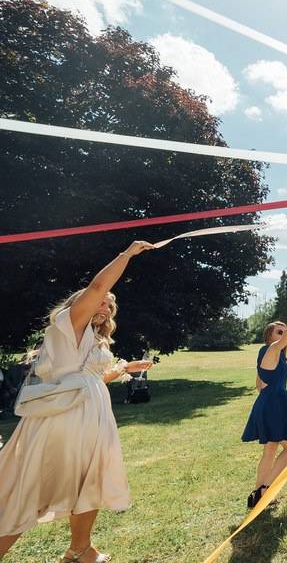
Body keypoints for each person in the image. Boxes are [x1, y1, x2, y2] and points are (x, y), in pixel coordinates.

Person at [0, 241, 156, 563]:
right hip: (64, 421)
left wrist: (124, 369)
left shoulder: (92, 338)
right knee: (32, 489)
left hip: (91, 420)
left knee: (91, 481)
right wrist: (126, 255)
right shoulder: (68, 324)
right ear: (83, 301)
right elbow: (99, 284)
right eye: (102, 301)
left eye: (110, 306)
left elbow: (89, 382)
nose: (106, 306)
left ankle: (80, 550)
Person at [241, 296, 287, 509]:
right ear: (270, 336)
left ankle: (257, 495)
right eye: (279, 332)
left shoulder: (275, 354)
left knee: (271, 450)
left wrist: (269, 391)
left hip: (272, 401)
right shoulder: (271, 349)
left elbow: (259, 383)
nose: (284, 334)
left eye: (284, 331)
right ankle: (265, 488)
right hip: (274, 403)